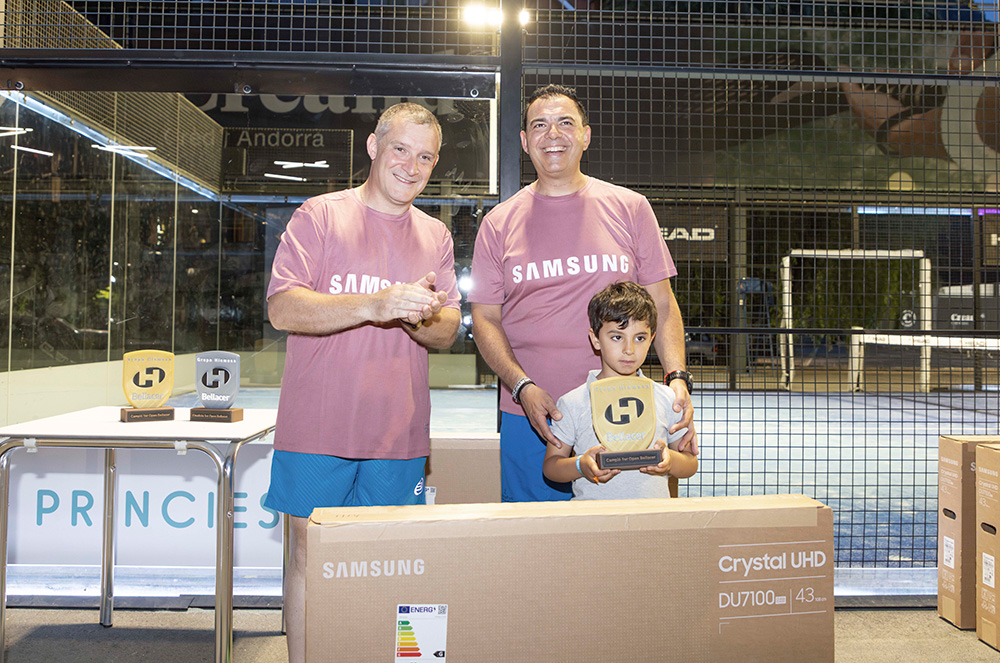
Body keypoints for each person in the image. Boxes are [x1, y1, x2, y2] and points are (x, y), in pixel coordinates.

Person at [263, 102, 461, 663]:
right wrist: (375, 304)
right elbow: (283, 307)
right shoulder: (320, 215)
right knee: (309, 559)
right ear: (374, 147)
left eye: (425, 157)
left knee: (397, 565)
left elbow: (448, 329)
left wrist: (418, 314)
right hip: (316, 429)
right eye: (400, 149)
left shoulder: (436, 236)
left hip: (398, 434)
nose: (411, 166)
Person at [469, 83, 697, 503]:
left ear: (586, 135)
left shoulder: (631, 208)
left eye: (565, 123)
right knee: (533, 535)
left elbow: (662, 304)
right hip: (533, 413)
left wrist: (677, 380)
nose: (552, 134)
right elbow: (485, 319)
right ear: (524, 141)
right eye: (540, 125)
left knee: (623, 538)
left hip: (630, 412)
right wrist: (522, 387)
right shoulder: (498, 223)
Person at [543, 282, 698, 498]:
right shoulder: (573, 402)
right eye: (617, 337)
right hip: (593, 516)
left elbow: (690, 463)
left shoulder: (667, 398)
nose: (629, 349)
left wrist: (670, 461)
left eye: (640, 338)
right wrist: (580, 465)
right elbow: (551, 467)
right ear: (595, 339)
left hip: (650, 516)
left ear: (652, 339)